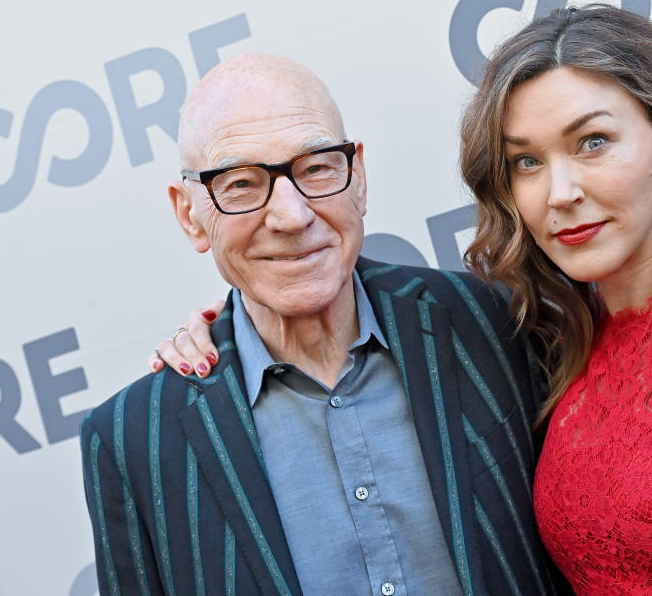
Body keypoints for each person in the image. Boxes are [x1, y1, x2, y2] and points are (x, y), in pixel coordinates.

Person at [158, 8, 652, 594]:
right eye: (525, 163)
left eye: (592, 142)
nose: (561, 191)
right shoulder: (550, 346)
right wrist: (223, 338)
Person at [80, 53, 566, 596]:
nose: (291, 216)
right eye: (240, 183)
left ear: (356, 178)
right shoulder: (137, 437)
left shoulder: (493, 320)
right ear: (190, 214)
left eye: (316, 168)